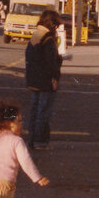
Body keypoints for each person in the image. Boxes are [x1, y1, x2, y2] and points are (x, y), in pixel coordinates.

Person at [23, 9, 70, 150]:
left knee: (35, 111)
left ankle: (32, 140)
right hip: (45, 81)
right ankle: (41, 142)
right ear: (52, 24)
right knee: (44, 112)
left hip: (33, 79)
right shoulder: (48, 39)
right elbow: (50, 62)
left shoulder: (36, 35)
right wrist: (54, 78)